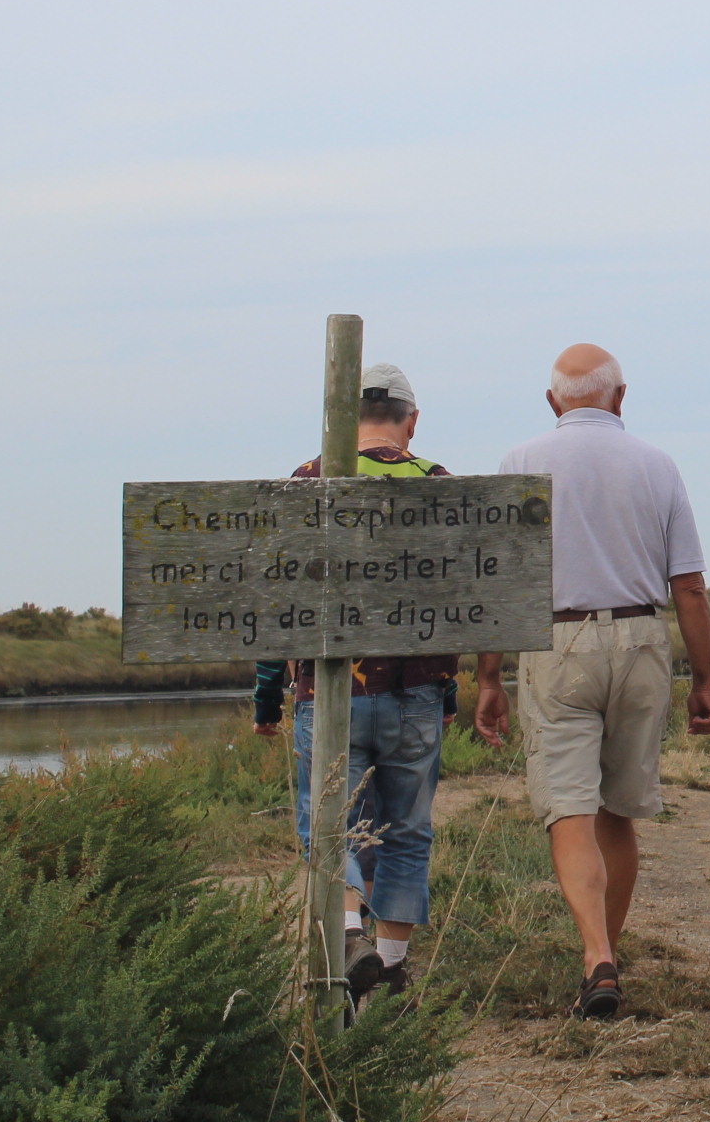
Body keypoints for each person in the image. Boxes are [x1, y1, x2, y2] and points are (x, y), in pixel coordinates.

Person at [251, 361, 511, 1004]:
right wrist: (459, 690)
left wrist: (266, 699)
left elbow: (275, 609)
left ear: (341, 419)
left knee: (329, 822)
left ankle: (347, 936)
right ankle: (391, 965)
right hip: (418, 693)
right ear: (411, 423)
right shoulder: (438, 485)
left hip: (331, 694)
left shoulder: (310, 480)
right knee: (408, 828)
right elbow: (462, 601)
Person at [498, 343, 710, 1020]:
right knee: (618, 812)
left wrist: (487, 677)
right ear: (620, 397)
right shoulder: (658, 465)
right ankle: (607, 955)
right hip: (640, 637)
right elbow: (688, 585)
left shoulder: (521, 463)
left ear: (552, 402)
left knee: (569, 808)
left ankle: (595, 952)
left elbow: (503, 582)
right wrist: (704, 680)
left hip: (557, 639)